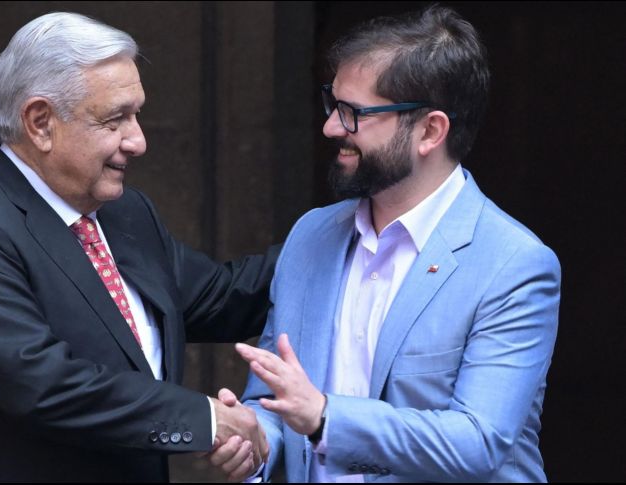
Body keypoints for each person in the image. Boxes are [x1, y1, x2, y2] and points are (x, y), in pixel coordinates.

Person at [0, 12, 274, 482]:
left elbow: (224, 297)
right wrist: (205, 419)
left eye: (137, 115)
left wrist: (340, 230)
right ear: (40, 123)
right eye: (115, 119)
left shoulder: (124, 212)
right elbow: (39, 382)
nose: (138, 141)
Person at [209, 5, 561, 482]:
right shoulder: (311, 235)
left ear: (430, 131)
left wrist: (326, 418)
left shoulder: (512, 263)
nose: (332, 127)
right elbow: (276, 397)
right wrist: (256, 442)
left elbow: (478, 441)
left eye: (353, 113)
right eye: (332, 104)